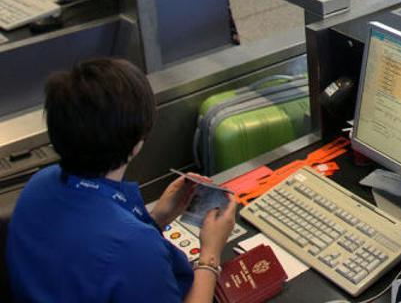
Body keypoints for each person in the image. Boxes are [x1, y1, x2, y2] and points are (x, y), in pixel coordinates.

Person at [6, 58, 238, 302]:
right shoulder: (134, 247)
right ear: (138, 142)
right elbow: (117, 250)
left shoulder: (38, 184)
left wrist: (156, 219)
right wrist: (211, 252)